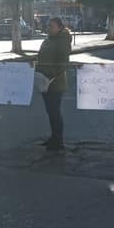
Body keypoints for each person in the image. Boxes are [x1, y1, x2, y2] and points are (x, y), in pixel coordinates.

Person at [36, 17, 72, 151]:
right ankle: (53, 137)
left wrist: (49, 76)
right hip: (44, 81)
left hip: (55, 83)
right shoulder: (49, 39)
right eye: (48, 26)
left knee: (55, 112)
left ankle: (58, 141)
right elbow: (42, 57)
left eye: (51, 26)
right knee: (50, 112)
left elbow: (63, 63)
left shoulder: (62, 41)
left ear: (59, 27)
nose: (48, 28)